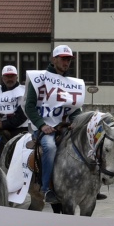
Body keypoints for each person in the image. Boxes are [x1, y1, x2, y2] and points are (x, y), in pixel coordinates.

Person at [22, 44, 85, 202]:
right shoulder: (39, 79)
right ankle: (47, 188)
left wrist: (77, 121)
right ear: (54, 59)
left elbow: (74, 109)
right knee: (49, 147)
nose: (66, 63)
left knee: (85, 146)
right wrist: (42, 125)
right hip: (44, 128)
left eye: (69, 60)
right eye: (63, 59)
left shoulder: (71, 83)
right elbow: (29, 106)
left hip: (63, 127)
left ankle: (87, 186)